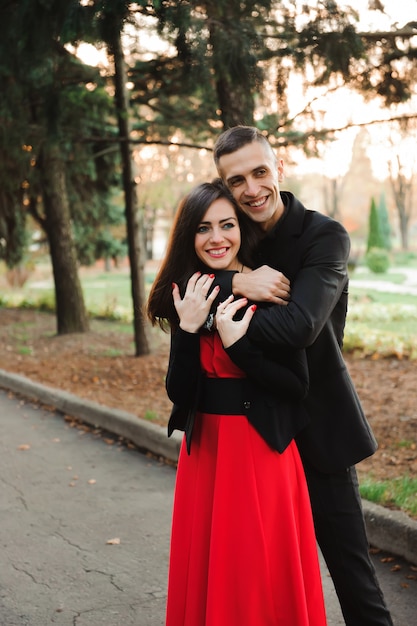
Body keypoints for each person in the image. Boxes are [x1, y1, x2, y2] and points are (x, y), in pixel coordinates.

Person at [212, 125, 394, 626]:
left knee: (352, 576)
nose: (251, 189)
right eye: (236, 181)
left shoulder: (324, 235)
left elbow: (301, 326)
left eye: (259, 172)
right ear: (223, 186)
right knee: (259, 581)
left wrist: (218, 312)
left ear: (279, 169)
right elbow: (172, 290)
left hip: (317, 422)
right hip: (252, 432)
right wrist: (236, 279)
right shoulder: (228, 233)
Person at [147, 180, 328, 626]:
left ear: (241, 229)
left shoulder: (267, 287)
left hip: (262, 449)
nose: (217, 238)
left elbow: (295, 386)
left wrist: (240, 347)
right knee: (212, 572)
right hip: (206, 453)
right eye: (203, 228)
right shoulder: (188, 294)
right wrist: (189, 332)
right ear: (189, 235)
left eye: (227, 225)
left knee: (256, 572)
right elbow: (179, 393)